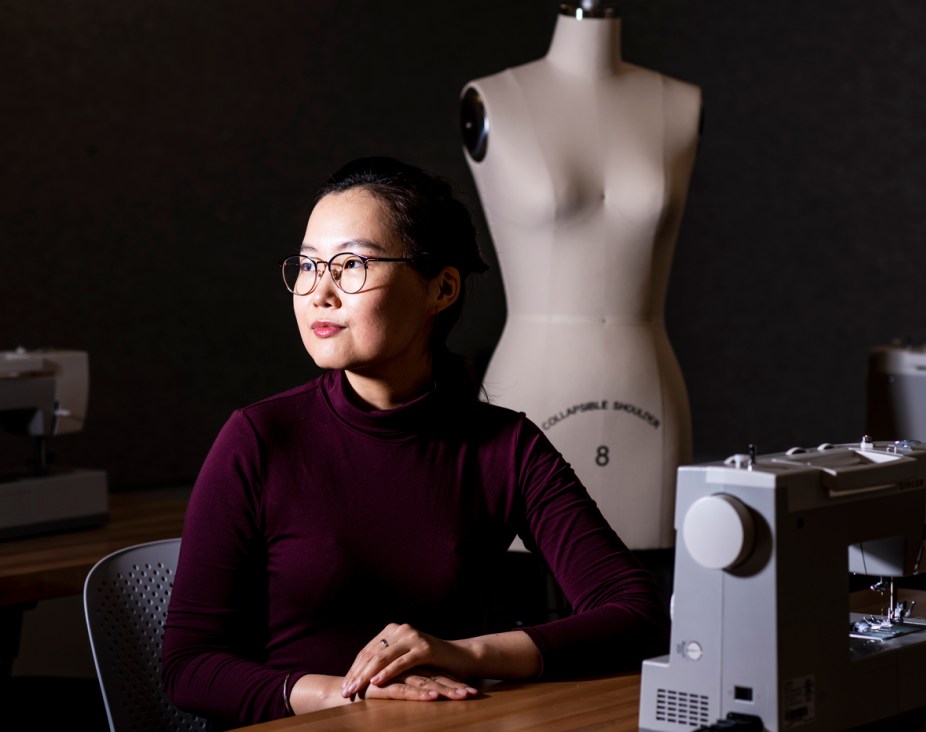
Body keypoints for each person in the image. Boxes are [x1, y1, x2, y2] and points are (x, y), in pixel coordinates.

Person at [161, 156, 670, 728]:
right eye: (307, 266)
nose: (319, 292)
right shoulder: (259, 438)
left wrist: (466, 653)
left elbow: (637, 614)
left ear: (441, 289)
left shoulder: (506, 446)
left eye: (351, 264)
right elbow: (189, 667)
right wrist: (349, 694)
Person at [460, 0, 702, 553]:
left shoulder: (679, 103)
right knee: (523, 599)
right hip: (535, 384)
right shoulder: (494, 98)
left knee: (647, 607)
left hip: (647, 388)